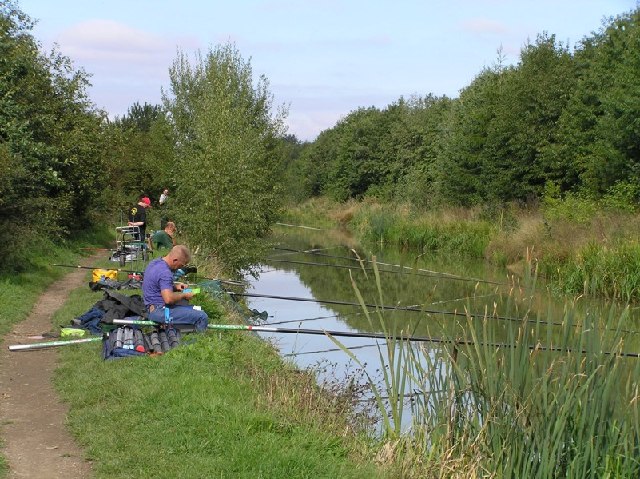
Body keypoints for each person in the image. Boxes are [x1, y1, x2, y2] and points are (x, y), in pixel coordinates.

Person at [142, 245, 208, 331]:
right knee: (202, 317)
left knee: (195, 308)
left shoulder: (155, 262)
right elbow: (168, 299)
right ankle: (195, 343)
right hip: (160, 312)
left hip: (150, 307)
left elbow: (158, 285)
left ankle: (178, 330)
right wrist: (184, 295)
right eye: (181, 265)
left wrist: (176, 287)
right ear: (175, 260)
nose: (180, 268)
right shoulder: (165, 273)